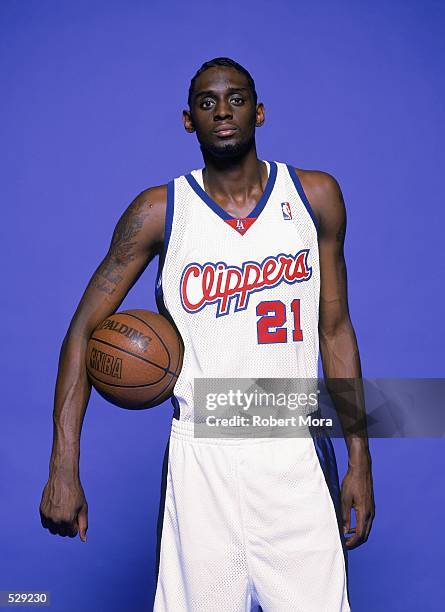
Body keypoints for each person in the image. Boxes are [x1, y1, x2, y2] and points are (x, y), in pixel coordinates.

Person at [40, 57, 375, 611]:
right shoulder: (158, 212)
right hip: (201, 458)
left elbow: (335, 333)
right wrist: (63, 466)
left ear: (259, 112)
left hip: (294, 452)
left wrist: (359, 459)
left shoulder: (316, 198)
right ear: (187, 120)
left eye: (237, 99)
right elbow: (82, 333)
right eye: (207, 102)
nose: (223, 111)